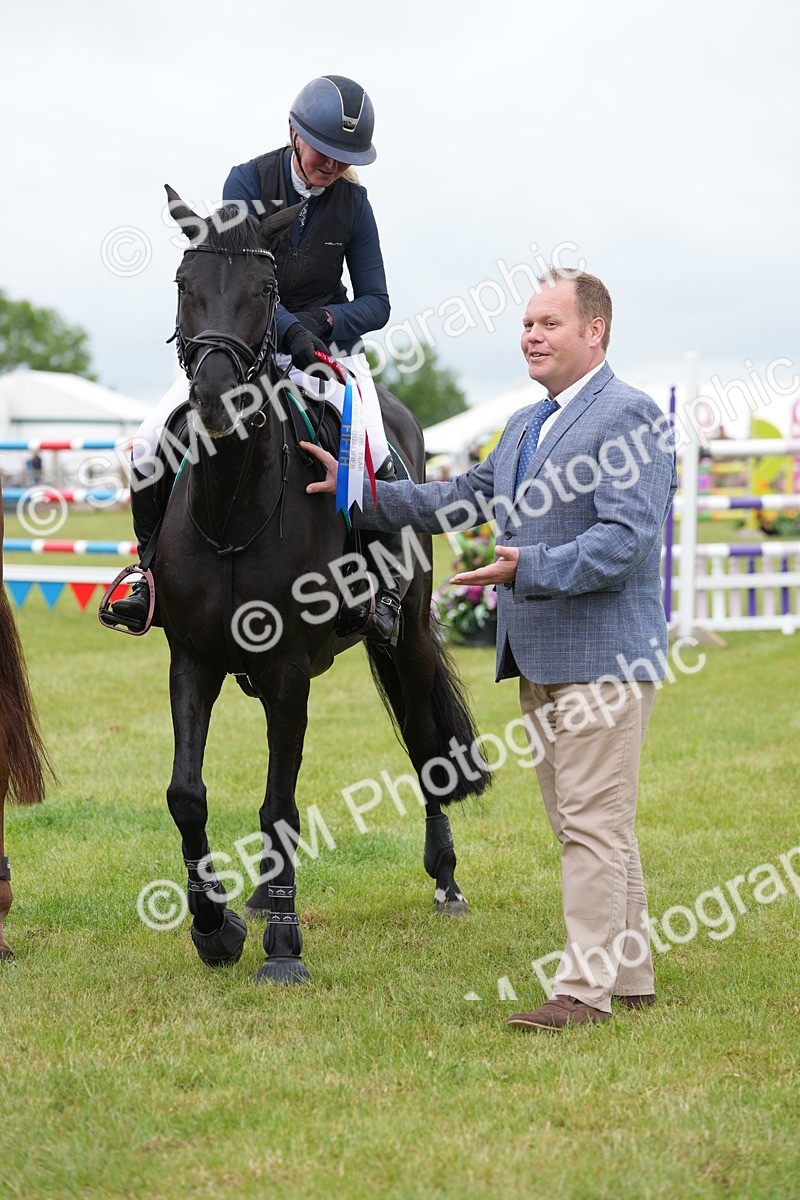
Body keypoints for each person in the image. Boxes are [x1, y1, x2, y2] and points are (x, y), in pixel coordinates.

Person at [301, 269, 678, 1032]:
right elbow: (455, 499)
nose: (531, 335)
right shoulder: (524, 425)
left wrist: (526, 569)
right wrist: (356, 492)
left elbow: (627, 540)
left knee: (591, 825)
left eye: (549, 323)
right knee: (591, 822)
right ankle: (630, 976)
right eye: (528, 323)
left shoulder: (630, 415)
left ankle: (583, 993)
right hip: (540, 658)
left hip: (603, 660)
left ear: (595, 331)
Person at [110, 74, 403, 644]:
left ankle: (379, 588)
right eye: (323, 151)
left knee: (372, 447)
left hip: (326, 351)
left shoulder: (354, 204)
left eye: (344, 158)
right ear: (294, 133)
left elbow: (377, 302)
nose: (332, 166)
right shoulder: (246, 181)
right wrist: (286, 329)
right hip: (240, 344)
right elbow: (238, 274)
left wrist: (318, 326)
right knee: (147, 443)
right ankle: (147, 574)